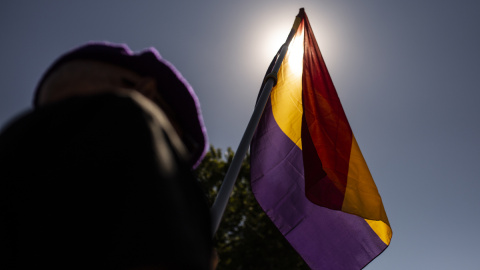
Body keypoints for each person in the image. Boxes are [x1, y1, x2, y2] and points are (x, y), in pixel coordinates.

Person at [0, 42, 214, 270]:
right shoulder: (127, 118)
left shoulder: (18, 150)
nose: (171, 156)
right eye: (172, 141)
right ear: (146, 93)